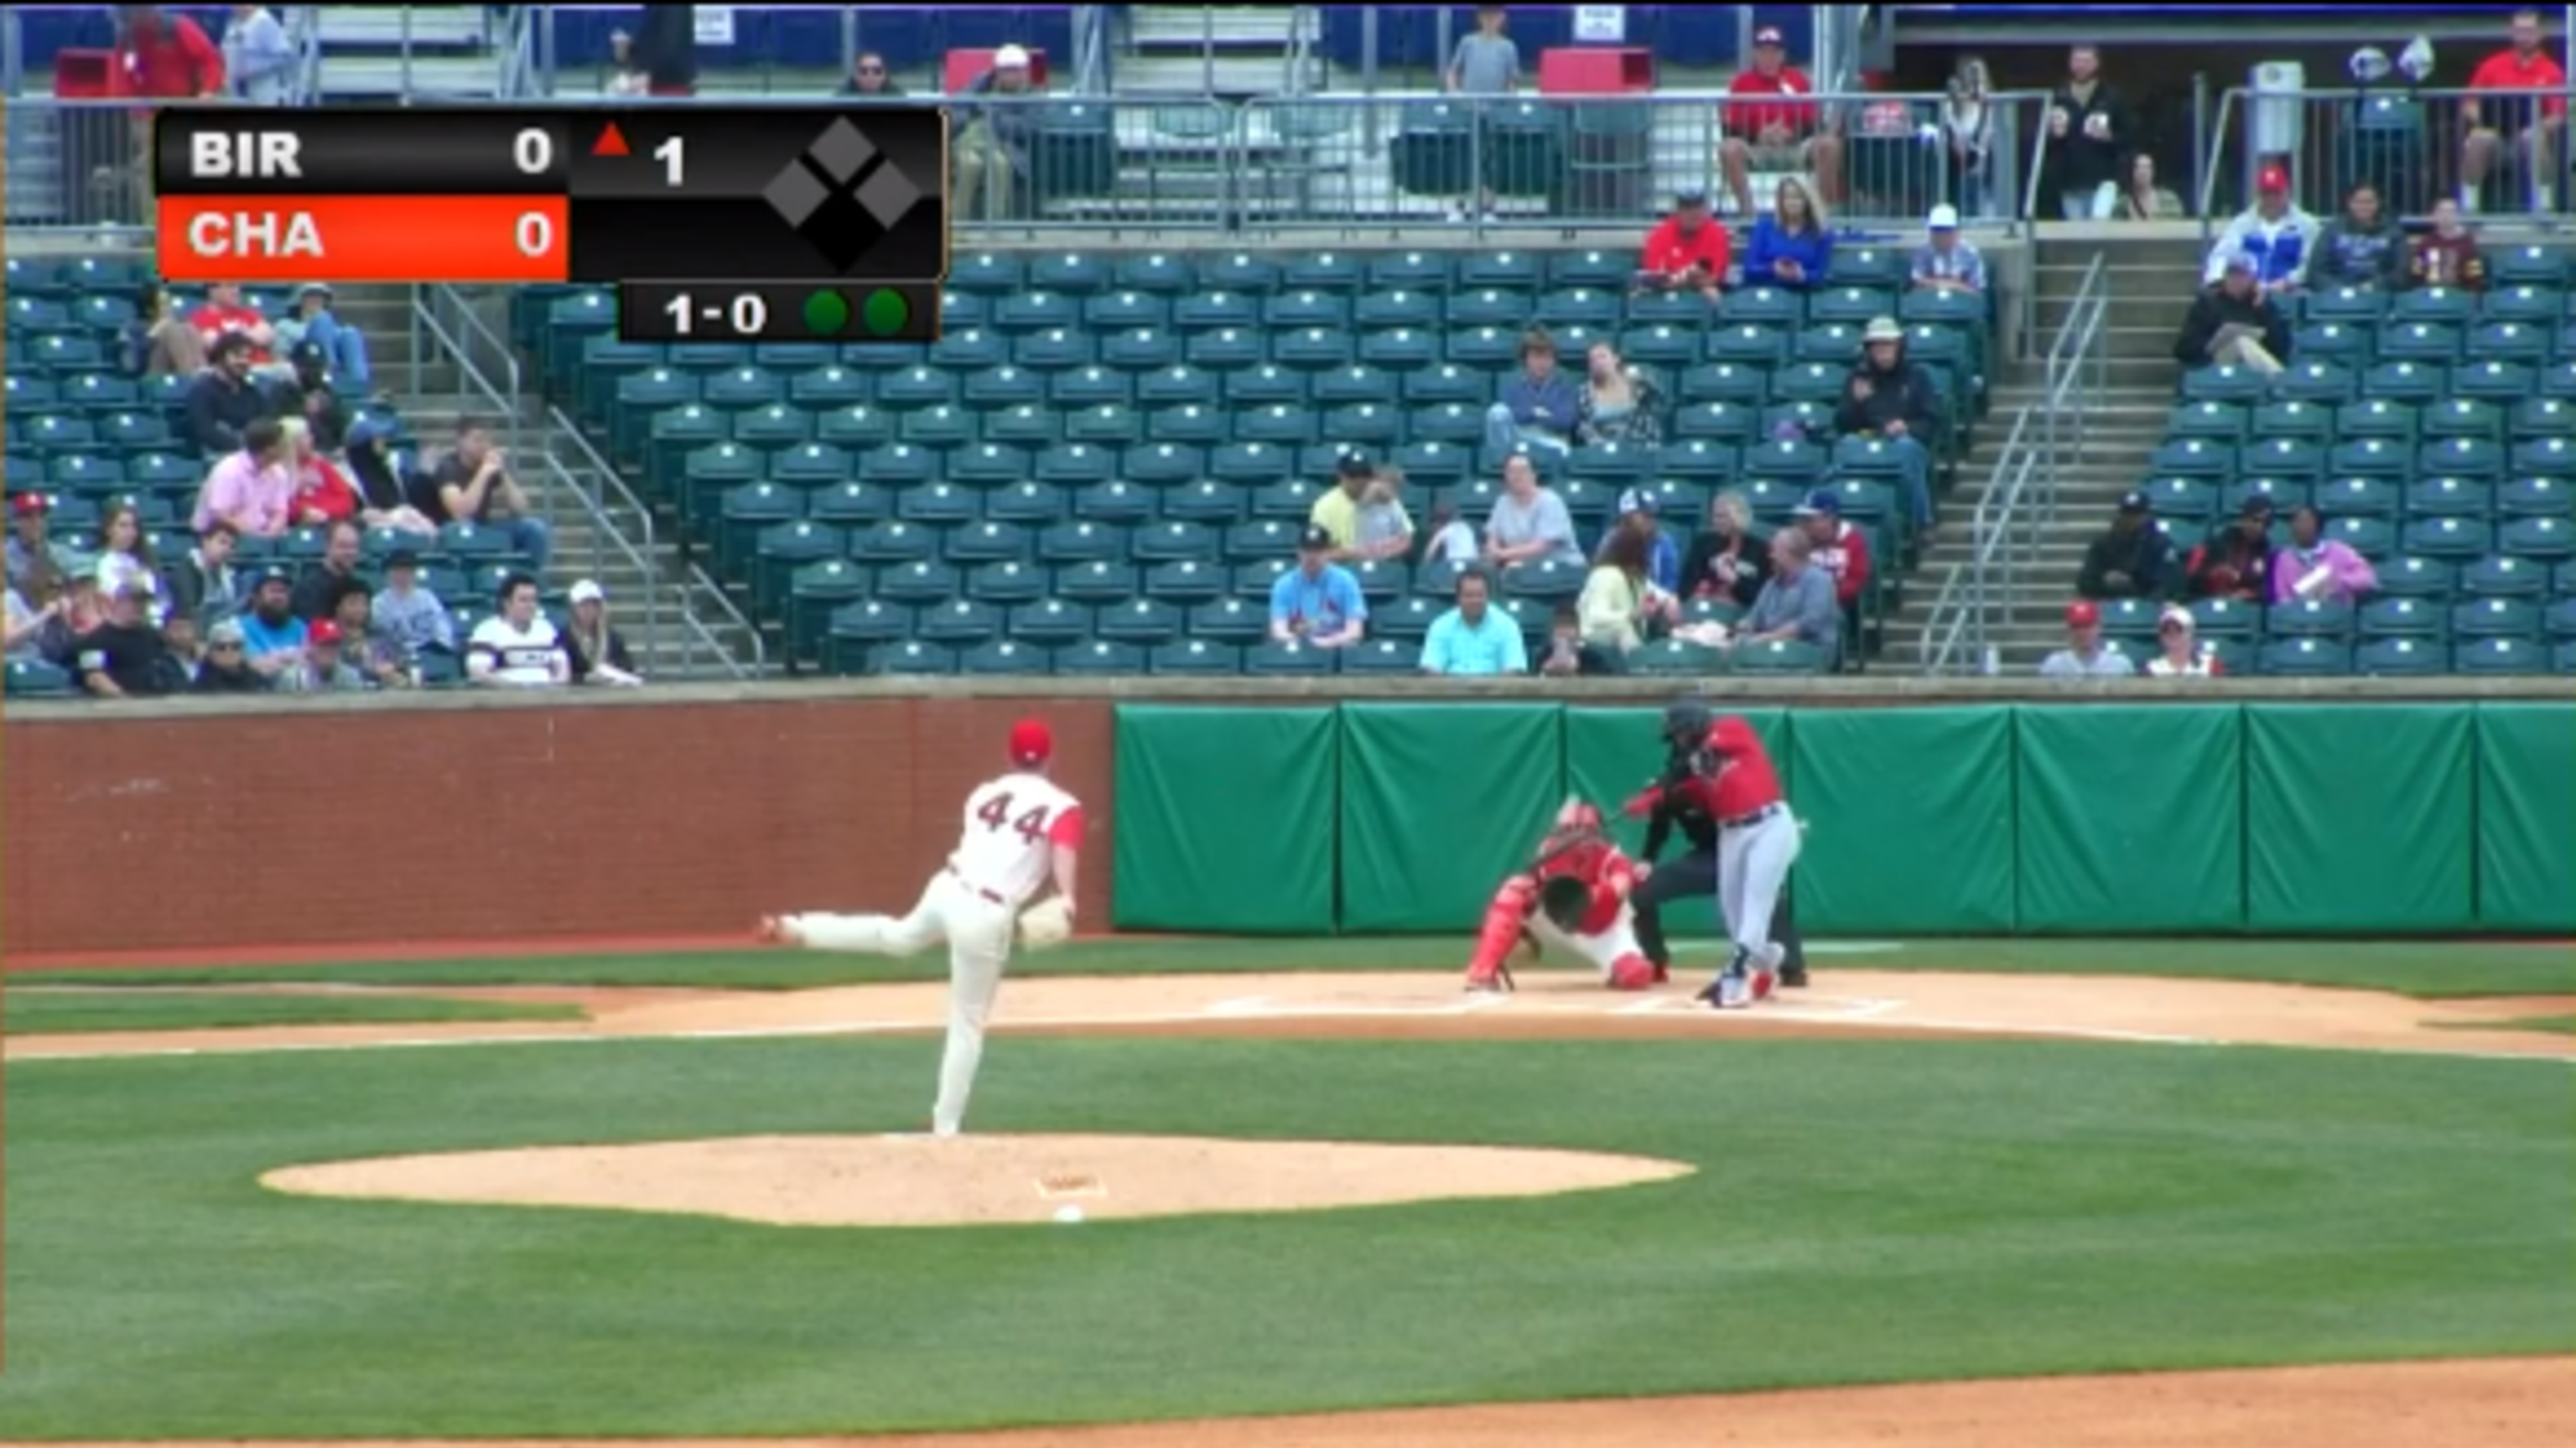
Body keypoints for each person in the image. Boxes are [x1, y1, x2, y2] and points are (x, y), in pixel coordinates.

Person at [757, 719, 1083, 1139]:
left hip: (947, 886)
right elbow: (1063, 849)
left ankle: (798, 929)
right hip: (985, 912)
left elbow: (983, 843)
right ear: (1052, 756)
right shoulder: (1063, 805)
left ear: (1010, 754)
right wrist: (1069, 897)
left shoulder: (983, 793)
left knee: (896, 937)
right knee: (967, 1022)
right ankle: (945, 1127)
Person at [1626, 699, 1809, 989]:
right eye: (1675, 737)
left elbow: (1693, 763)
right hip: (1724, 844)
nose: (1678, 741)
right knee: (1735, 912)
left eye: (1680, 733)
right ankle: (1761, 963)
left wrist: (1662, 787)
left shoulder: (1731, 729)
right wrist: (1655, 798)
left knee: (1760, 897)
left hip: (1766, 826)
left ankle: (1763, 971)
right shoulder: (1693, 776)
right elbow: (1679, 788)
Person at [1461, 797, 1659, 994]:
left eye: (1574, 831)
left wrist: (1587, 896)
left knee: (1635, 974)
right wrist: (1522, 919)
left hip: (1601, 929)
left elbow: (1621, 887)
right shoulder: (1549, 849)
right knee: (1514, 889)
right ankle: (1483, 972)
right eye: (1565, 830)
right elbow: (1528, 888)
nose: (1568, 837)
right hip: (1554, 919)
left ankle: (1622, 969)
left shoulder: (1613, 857)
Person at [1721, 24, 1841, 216]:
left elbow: (1815, 125)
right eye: (1763, 52)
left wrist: (1791, 133)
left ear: (1783, 55)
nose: (1769, 58)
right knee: (1729, 148)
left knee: (1830, 145)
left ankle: (1822, 215)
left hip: (1795, 146)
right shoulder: (1741, 83)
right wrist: (1759, 135)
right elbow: (1729, 130)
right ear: (1754, 54)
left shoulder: (1798, 80)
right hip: (1756, 148)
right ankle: (1748, 214)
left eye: (1774, 52)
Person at [1836, 319, 1941, 536]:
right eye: (1877, 347)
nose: (1883, 353)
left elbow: (1931, 420)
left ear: (1899, 347)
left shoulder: (1917, 376)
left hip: (1904, 438)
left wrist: (1907, 426)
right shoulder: (1858, 378)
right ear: (1869, 350)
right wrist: (1857, 403)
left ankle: (1922, 522)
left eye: (1888, 346)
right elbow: (1843, 425)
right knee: (1847, 445)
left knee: (1906, 449)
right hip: (1868, 438)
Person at [2459, 8, 2568, 214]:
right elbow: (2469, 103)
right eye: (2519, 31)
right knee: (2479, 137)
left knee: (2533, 137)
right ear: (2512, 32)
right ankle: (2469, 209)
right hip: (2497, 138)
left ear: (2540, 33)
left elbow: (2557, 115)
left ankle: (2543, 208)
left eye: (2530, 31)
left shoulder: (2552, 71)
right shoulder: (2492, 65)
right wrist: (2484, 120)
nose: (2524, 36)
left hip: (2529, 139)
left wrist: (2538, 127)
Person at [428, 421, 553, 570]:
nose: (484, 445)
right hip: (451, 532)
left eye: (487, 440)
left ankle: (527, 581)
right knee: (466, 527)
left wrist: (504, 474)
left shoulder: (487, 466)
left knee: (535, 528)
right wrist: (483, 473)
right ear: (460, 441)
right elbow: (461, 513)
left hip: (484, 528)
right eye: (477, 440)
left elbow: (521, 509)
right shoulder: (448, 468)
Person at [949, 44, 1041, 222]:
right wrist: (970, 114)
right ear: (998, 71)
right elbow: (955, 110)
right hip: (967, 142)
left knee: (1000, 164)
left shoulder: (1033, 96)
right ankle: (957, 223)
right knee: (970, 163)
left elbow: (1027, 128)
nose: (1015, 75)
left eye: (1018, 70)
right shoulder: (979, 86)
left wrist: (995, 115)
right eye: (1008, 71)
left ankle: (995, 224)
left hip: (1002, 145)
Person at [1727, 527, 1841, 667]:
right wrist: (1732, 632)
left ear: (1791, 553)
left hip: (1810, 650)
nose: (1770, 556)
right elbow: (1754, 619)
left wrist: (1769, 637)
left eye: (1775, 551)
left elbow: (1810, 622)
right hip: (1773, 649)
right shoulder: (1771, 584)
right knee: (1727, 652)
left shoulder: (1819, 580)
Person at [2045, 44, 2131, 220]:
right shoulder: (2058, 96)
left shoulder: (2111, 97)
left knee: (2099, 228)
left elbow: (2129, 136)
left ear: (2096, 64)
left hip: (2104, 179)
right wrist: (2054, 135)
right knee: (2075, 232)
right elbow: (2042, 141)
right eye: (2077, 60)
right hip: (2069, 180)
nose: (2081, 65)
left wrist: (2109, 137)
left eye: (2086, 60)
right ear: (2070, 63)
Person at [2173, 252, 2293, 376]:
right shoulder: (2207, 303)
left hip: (2253, 369)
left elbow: (2281, 348)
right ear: (2225, 276)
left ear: (2252, 279)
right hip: (2213, 365)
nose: (2236, 280)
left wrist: (2262, 308)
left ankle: (2279, 382)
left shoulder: (2263, 304)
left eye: (2242, 275)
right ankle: (2281, 381)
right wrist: (2211, 344)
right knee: (2241, 342)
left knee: (2245, 343)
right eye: (2232, 275)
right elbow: (2182, 349)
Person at [2205, 165, 2319, 293]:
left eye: (2276, 194)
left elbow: (2311, 264)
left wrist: (2288, 281)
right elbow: (2222, 255)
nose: (2271, 199)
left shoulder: (2307, 224)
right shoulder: (2242, 224)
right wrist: (2219, 282)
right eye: (2266, 194)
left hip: (2291, 291)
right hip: (2248, 293)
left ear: (2287, 192)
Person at [1577, 524, 1675, 657]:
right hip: (1593, 636)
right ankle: (1641, 666)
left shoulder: (1637, 578)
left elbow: (1661, 596)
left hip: (1630, 637)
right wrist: (1632, 615)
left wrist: (1670, 601)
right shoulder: (1605, 575)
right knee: (1622, 630)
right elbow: (1595, 616)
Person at [1485, 327, 1581, 456]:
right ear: (1525, 360)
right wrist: (1537, 413)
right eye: (1536, 357)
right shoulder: (1514, 389)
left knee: (1562, 449)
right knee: (1496, 411)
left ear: (1554, 361)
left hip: (1552, 439)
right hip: (1519, 438)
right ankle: (1501, 463)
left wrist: (1529, 414)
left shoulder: (1565, 389)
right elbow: (1511, 414)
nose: (1541, 363)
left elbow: (1565, 421)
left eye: (1547, 357)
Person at [466, 572, 572, 687]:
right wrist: (515, 689)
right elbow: (478, 673)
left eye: (533, 600)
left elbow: (563, 667)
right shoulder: (487, 631)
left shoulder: (546, 629)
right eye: (523, 600)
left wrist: (556, 686)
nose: (530, 605)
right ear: (506, 603)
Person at [1269, 525, 1368, 648]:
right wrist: (1304, 645)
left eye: (1318, 550)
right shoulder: (1283, 584)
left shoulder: (1346, 581)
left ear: (1328, 552)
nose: (1312, 556)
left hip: (1336, 649)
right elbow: (1278, 631)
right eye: (1307, 550)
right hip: (1298, 650)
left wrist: (1327, 643)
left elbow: (1355, 631)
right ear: (1298, 552)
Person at [1418, 566, 1528, 676]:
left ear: (1488, 597)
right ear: (1458, 598)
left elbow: (1514, 669)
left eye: (1480, 595)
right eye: (1469, 596)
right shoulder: (1441, 625)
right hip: (1451, 690)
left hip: (1495, 690)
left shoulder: (1507, 626)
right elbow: (1431, 668)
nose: (1475, 601)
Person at [1635, 187, 1732, 300]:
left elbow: (1713, 278)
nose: (1694, 213)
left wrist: (1679, 279)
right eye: (1687, 208)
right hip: (1666, 294)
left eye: (1698, 207)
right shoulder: (1660, 235)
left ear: (1705, 209)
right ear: (1677, 212)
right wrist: (1687, 278)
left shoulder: (1716, 234)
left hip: (1701, 291)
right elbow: (1655, 279)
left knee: (1712, 293)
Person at [2075, 490, 2175, 600]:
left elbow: (2165, 583)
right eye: (2127, 514)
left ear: (2147, 515)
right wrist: (2103, 580)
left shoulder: (2159, 544)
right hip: (2110, 603)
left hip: (2146, 604)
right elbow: (2085, 581)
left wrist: (2134, 587)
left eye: (2136, 514)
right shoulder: (2103, 543)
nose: (2130, 519)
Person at [2270, 505, 2378, 605]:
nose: (2300, 527)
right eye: (2296, 522)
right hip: (2298, 619)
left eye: (2306, 522)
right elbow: (2282, 597)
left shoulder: (2339, 551)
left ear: (2318, 526)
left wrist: (2339, 583)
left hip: (2336, 616)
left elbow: (2367, 578)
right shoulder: (2284, 558)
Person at [1680, 490, 1770, 608]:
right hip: (1706, 607)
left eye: (1722, 516)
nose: (1715, 521)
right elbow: (1685, 586)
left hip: (1742, 612)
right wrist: (1704, 588)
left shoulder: (1760, 549)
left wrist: (1734, 580)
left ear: (1739, 517)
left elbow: (1761, 597)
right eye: (1714, 516)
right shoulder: (1703, 543)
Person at [2310, 181, 2407, 290]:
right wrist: (2337, 289)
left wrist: (2374, 286)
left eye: (2370, 202)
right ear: (2349, 203)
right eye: (2358, 202)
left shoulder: (2393, 231)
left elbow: (2401, 272)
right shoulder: (2332, 229)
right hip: (2337, 294)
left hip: (2379, 296)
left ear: (2379, 203)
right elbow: (2316, 271)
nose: (2364, 207)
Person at [1742, 177, 1833, 289]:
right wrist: (1772, 269)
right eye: (1787, 197)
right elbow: (1749, 268)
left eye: (1798, 197)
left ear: (1808, 201)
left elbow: (1820, 274)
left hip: (1803, 294)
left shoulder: (1822, 231)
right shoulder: (1764, 226)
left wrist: (1801, 275)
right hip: (1769, 291)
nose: (1792, 202)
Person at [2186, 495, 2279, 602]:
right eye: (2255, 520)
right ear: (2244, 518)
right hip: (2213, 603)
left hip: (2247, 609)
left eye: (2266, 524)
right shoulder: (2220, 542)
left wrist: (2250, 594)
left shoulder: (2267, 551)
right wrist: (2214, 573)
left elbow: (2270, 588)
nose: (2260, 527)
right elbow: (2193, 581)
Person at [563, 579, 643, 686]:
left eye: (593, 605)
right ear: (574, 608)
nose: (589, 610)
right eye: (583, 605)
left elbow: (628, 667)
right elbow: (560, 675)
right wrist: (585, 678)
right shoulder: (564, 638)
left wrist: (612, 671)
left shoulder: (613, 637)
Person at [2038, 600, 2137, 678]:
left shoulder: (2120, 664)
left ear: (2098, 628)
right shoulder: (2054, 665)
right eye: (2077, 626)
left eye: (2087, 626)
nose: (2082, 632)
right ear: (2069, 630)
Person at [2409, 198, 2489, 290]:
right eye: (2442, 212)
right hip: (2430, 296)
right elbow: (2415, 273)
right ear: (2435, 215)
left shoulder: (2468, 244)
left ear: (2457, 216)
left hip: (2459, 296)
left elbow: (2475, 277)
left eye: (2450, 212)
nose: (2446, 216)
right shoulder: (2426, 243)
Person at [1910, 205, 1987, 294]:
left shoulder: (1970, 253)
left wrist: (1947, 285)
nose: (1940, 237)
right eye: (1936, 232)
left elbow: (1978, 290)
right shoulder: (1923, 251)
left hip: (1962, 305)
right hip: (1929, 305)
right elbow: (1916, 284)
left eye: (1945, 232)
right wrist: (1953, 284)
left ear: (1956, 232)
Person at [2146, 605, 2224, 677]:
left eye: (2178, 629)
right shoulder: (2153, 668)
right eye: (2166, 629)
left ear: (2190, 632)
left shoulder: (2210, 665)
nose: (2172, 634)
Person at [2118, 153, 2186, 221]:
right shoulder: (2121, 204)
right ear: (2131, 172)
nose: (2142, 171)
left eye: (2147, 167)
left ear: (2153, 172)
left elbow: (2178, 226)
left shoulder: (2169, 200)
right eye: (2137, 167)